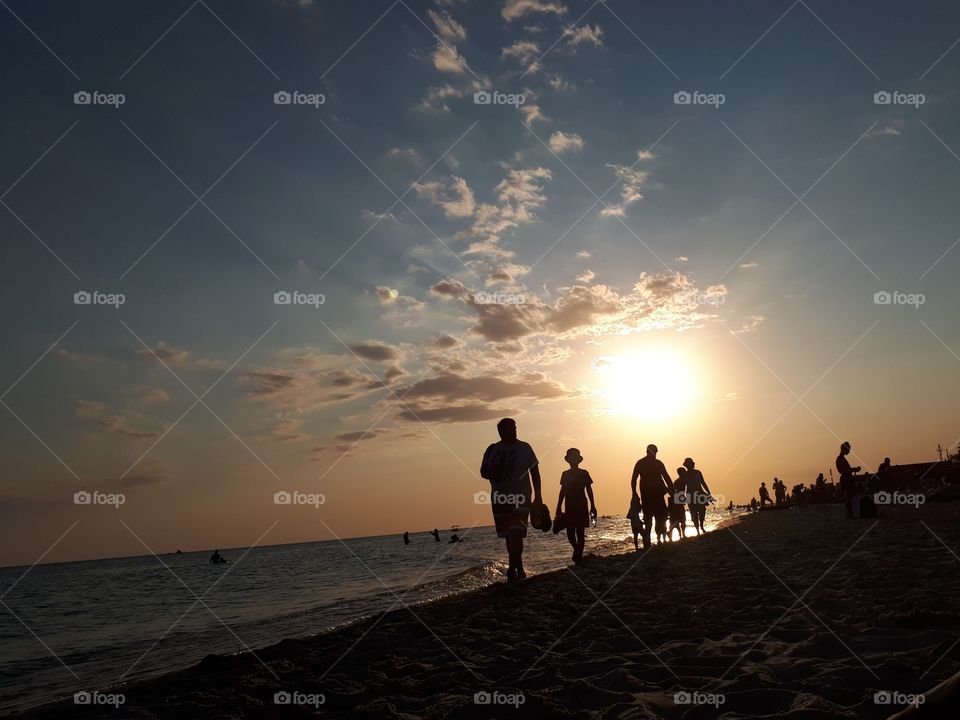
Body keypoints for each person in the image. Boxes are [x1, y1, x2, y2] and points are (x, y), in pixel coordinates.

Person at [480, 418, 542, 581]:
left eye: (515, 428)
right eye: (509, 429)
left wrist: (538, 496)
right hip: (499, 498)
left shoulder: (525, 448)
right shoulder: (492, 449)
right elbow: (483, 472)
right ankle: (519, 568)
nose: (514, 431)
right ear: (501, 432)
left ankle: (512, 568)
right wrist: (495, 470)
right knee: (509, 535)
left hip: (521, 497)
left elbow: (535, 472)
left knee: (516, 534)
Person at [556, 448, 597, 565]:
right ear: (568, 460)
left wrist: (593, 506)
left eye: (574, 458)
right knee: (570, 532)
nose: (573, 461)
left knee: (580, 532)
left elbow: (589, 490)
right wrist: (558, 506)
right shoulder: (565, 474)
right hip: (569, 505)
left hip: (582, 505)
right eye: (571, 458)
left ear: (578, 460)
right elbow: (562, 491)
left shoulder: (584, 473)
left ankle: (578, 556)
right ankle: (577, 549)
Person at [630, 444, 673, 549]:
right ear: (648, 452)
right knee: (652, 518)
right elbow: (634, 479)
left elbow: (667, 477)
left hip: (655, 494)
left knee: (658, 518)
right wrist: (634, 493)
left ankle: (658, 540)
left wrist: (672, 489)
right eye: (654, 452)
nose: (654, 454)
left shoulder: (655, 463)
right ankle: (650, 541)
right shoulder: (643, 463)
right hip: (649, 494)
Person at [683, 458, 712, 534]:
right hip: (691, 495)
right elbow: (683, 487)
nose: (693, 464)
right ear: (688, 465)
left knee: (702, 511)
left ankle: (701, 526)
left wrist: (708, 492)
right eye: (691, 463)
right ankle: (697, 529)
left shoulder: (698, 472)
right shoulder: (685, 475)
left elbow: (703, 483)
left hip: (699, 494)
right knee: (694, 513)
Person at [836, 441, 861, 519]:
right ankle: (849, 514)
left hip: (847, 478)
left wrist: (853, 470)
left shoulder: (841, 458)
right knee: (849, 496)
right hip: (846, 479)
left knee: (849, 496)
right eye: (848, 449)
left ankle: (850, 514)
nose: (849, 451)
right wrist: (854, 469)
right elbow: (843, 470)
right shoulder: (840, 459)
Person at [669, 467, 687, 541]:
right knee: (676, 520)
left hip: (679, 501)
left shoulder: (684, 480)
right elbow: (675, 492)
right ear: (679, 473)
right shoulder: (678, 481)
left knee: (682, 520)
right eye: (683, 472)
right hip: (676, 502)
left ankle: (683, 535)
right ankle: (672, 536)